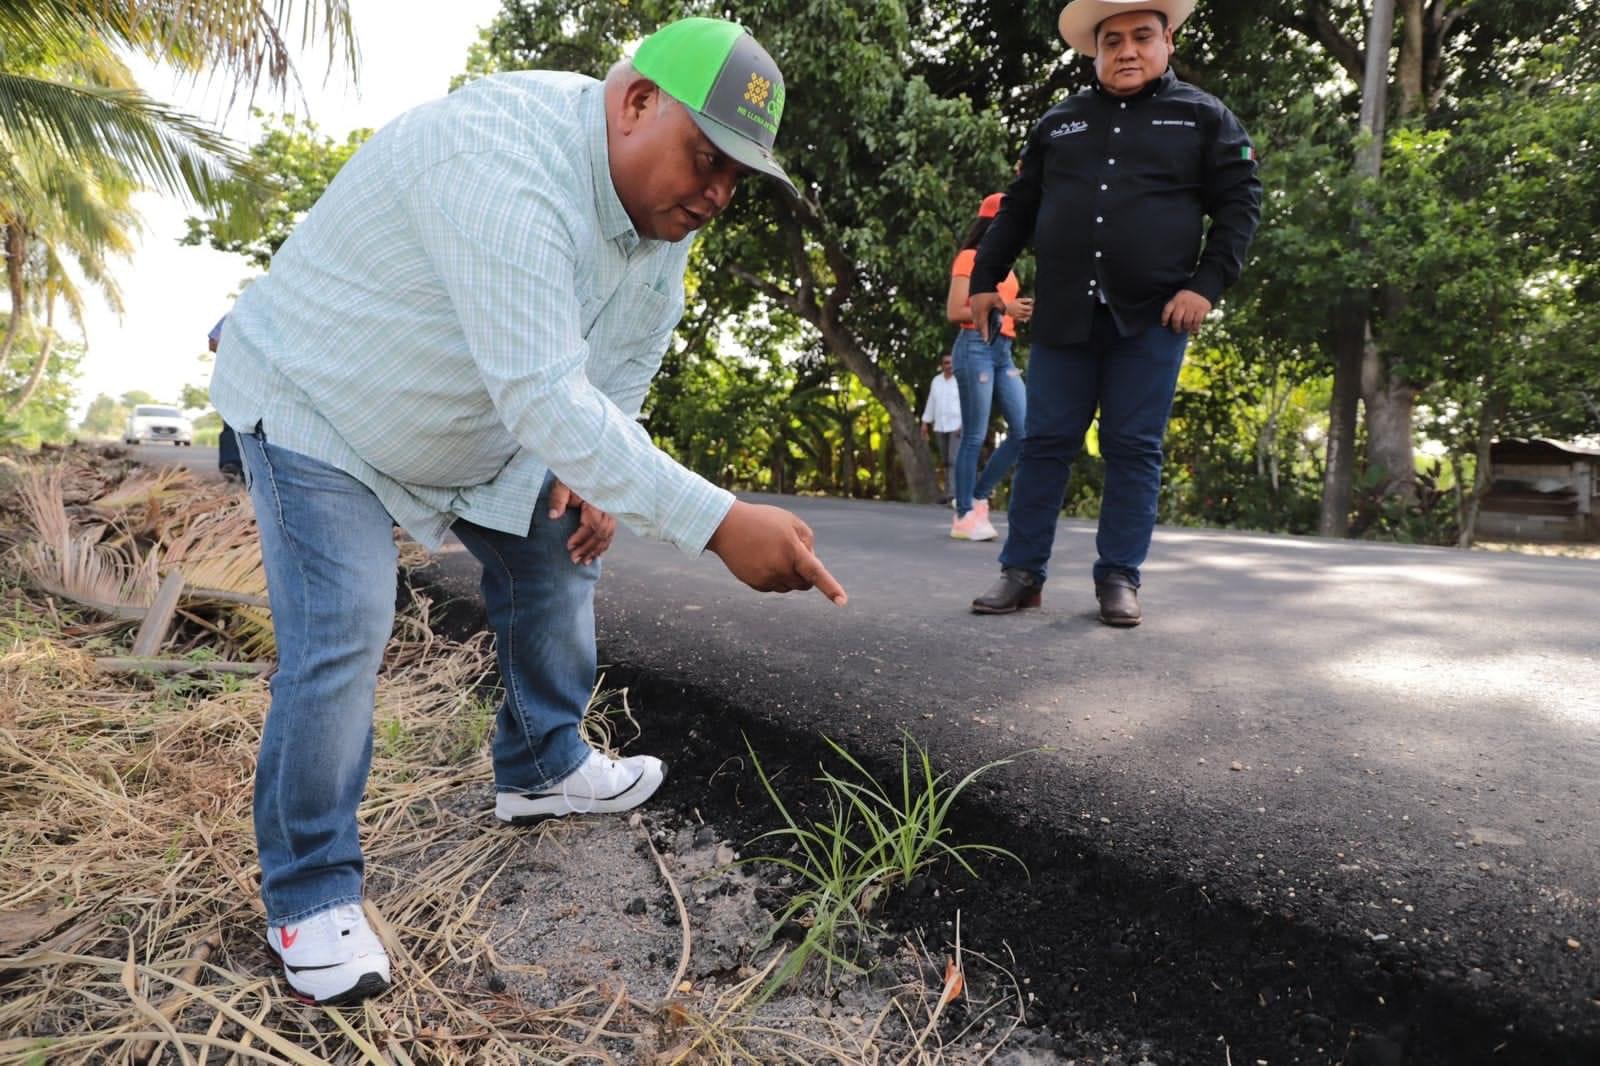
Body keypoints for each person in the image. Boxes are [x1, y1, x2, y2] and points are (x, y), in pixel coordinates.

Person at [209, 17, 847, 1006]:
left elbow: (624, 361)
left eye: (737, 178)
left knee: (561, 540)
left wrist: (598, 472)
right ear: (636, 103)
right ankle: (309, 893)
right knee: (344, 628)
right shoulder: (504, 161)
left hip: (471, 425)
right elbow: (546, 395)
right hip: (319, 409)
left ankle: (541, 764)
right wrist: (718, 522)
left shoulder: (657, 223)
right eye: (708, 160)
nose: (718, 194)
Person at [968, 0, 1261, 625]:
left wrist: (1206, 285)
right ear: (1094, 51)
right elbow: (1018, 207)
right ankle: (1021, 573)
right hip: (1064, 312)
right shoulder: (1059, 122)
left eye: (1141, 37)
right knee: (1044, 442)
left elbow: (1240, 205)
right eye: (1113, 41)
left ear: (1168, 43)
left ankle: (1119, 578)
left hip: (1154, 318)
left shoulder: (1204, 117)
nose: (1127, 50)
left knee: (1133, 447)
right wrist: (986, 279)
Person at [946, 192, 1033, 541]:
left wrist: (1018, 312)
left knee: (1025, 430)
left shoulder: (1006, 268)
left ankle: (977, 496)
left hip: (1003, 351)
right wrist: (1004, 309)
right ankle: (964, 514)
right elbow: (955, 311)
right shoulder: (970, 258)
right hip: (974, 347)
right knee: (975, 435)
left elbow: (1005, 308)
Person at [919, 352, 961, 504]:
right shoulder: (936, 381)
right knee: (945, 460)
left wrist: (963, 424)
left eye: (951, 362)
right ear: (942, 365)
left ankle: (953, 493)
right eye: (946, 363)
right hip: (940, 425)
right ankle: (948, 492)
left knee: (954, 459)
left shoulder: (960, 380)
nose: (949, 366)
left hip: (956, 425)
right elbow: (931, 402)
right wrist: (925, 422)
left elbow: (967, 402)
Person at [208, 316, 242, 480]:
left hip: (264, 383)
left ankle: (253, 471)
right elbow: (212, 343)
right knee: (232, 423)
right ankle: (231, 464)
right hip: (234, 379)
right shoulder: (234, 316)